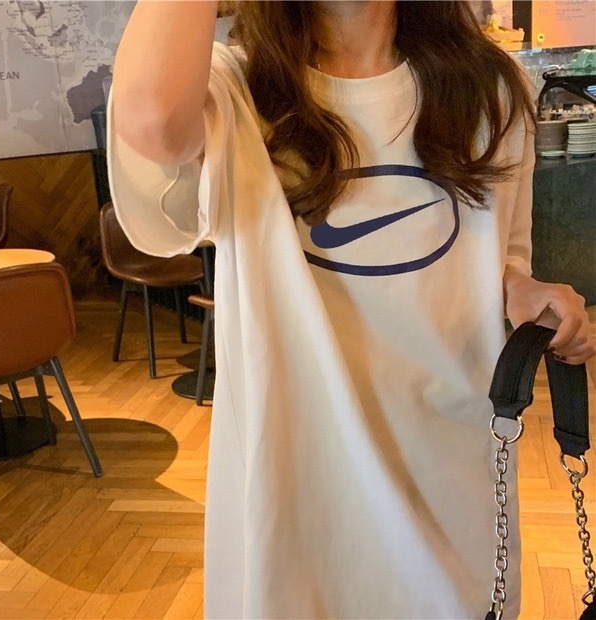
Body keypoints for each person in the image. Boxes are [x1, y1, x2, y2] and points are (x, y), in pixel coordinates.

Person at [108, 2, 594, 618]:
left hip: (451, 468)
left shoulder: (492, 88)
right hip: (298, 488)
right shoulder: (236, 91)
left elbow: (503, 250)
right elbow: (154, 122)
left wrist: (521, 289)